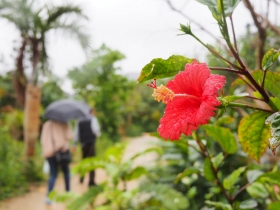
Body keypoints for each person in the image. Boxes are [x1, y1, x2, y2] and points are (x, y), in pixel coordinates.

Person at [40, 120, 73, 205]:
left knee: (53, 174)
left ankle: (49, 197)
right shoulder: (64, 122)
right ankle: (68, 193)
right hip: (61, 152)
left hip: (49, 153)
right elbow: (70, 136)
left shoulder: (47, 124)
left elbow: (42, 140)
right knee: (66, 172)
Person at [73, 108, 101, 187]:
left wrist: (74, 144)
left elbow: (76, 134)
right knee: (91, 162)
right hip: (90, 144)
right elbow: (96, 131)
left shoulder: (79, 120)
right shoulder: (92, 119)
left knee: (83, 161)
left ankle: (81, 178)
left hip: (83, 144)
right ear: (91, 112)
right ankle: (91, 181)